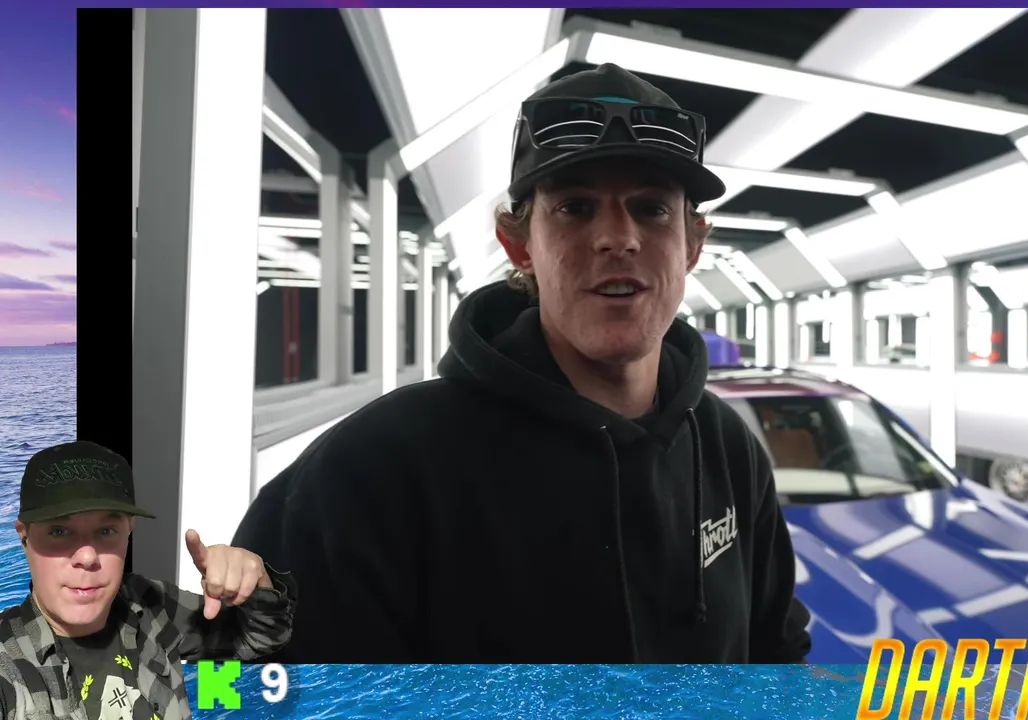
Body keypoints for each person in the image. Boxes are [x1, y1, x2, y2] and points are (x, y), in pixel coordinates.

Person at [232, 62, 812, 663]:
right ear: (519, 244)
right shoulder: (373, 472)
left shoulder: (728, 452)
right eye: (575, 208)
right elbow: (236, 686)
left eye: (652, 209)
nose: (619, 238)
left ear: (693, 244)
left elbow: (778, 656)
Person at [0, 441, 297, 720]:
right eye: (59, 532)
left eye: (106, 531)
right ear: (24, 536)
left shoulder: (150, 604)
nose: (88, 556)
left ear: (128, 530)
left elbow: (261, 638)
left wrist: (255, 581)